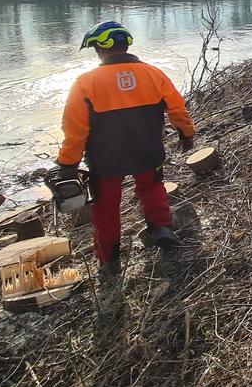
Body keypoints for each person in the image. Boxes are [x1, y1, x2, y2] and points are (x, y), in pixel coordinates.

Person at [54, 20, 197, 279]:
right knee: (152, 187)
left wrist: (68, 163)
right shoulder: (154, 74)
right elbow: (178, 110)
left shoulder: (85, 82)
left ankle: (109, 260)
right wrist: (187, 135)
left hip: (105, 158)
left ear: (100, 48)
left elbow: (75, 129)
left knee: (106, 206)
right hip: (148, 150)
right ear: (126, 46)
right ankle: (162, 230)